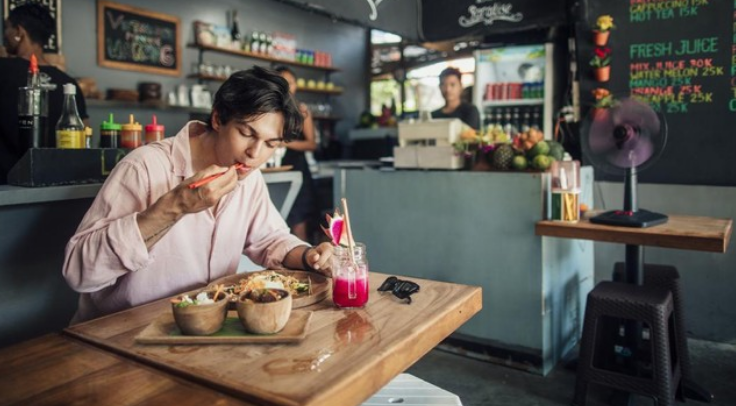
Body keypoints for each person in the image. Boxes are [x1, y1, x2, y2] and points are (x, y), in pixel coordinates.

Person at [62, 66, 332, 324]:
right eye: (246, 133)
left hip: (204, 329)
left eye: (270, 144)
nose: (255, 153)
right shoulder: (144, 167)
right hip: (121, 335)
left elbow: (271, 239)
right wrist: (175, 206)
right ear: (217, 119)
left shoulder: (249, 177)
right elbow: (79, 272)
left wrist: (310, 257)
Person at [0, 3, 88, 184]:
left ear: (19, 32)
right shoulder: (69, 84)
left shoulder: (2, 70)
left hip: (6, 188)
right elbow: (85, 135)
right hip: (56, 188)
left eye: (7, 28)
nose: (4, 35)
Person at [275, 66, 317, 242]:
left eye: (290, 82)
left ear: (295, 86)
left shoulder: (302, 111)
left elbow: (312, 144)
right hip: (278, 168)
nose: (287, 86)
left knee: (299, 222)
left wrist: (285, 142)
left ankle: (306, 262)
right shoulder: (272, 111)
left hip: (297, 167)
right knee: (278, 222)